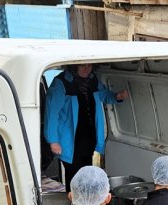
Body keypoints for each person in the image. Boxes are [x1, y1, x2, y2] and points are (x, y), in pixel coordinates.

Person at [44, 63, 128, 191]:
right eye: (82, 65)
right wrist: (53, 140)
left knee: (86, 171)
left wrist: (117, 96)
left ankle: (85, 203)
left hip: (89, 136)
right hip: (70, 140)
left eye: (89, 66)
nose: (86, 69)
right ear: (73, 66)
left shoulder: (92, 80)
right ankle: (74, 202)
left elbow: (103, 94)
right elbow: (52, 113)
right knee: (73, 173)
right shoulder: (61, 83)